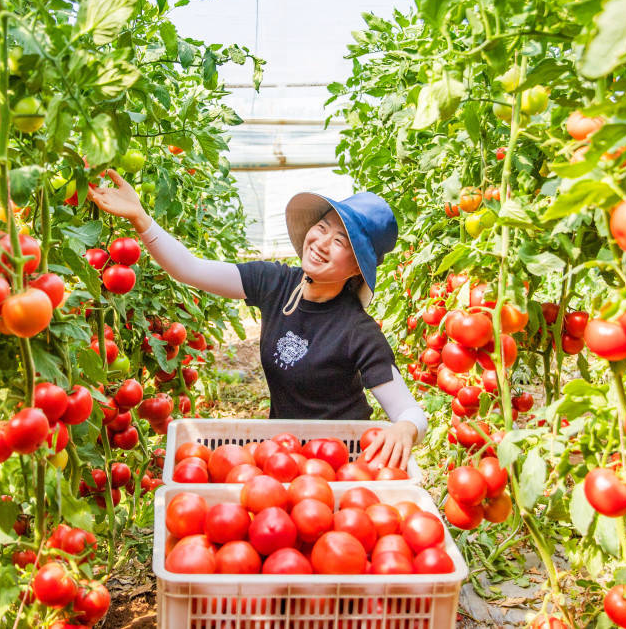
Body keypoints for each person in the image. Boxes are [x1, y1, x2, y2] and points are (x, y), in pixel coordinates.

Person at [89, 171, 429, 471]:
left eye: (340, 241)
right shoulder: (275, 282)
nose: (322, 243)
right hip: (281, 453)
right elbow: (190, 269)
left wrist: (405, 428)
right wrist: (140, 217)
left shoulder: (357, 331)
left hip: (340, 463)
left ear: (357, 267)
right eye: (322, 227)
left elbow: (410, 413)